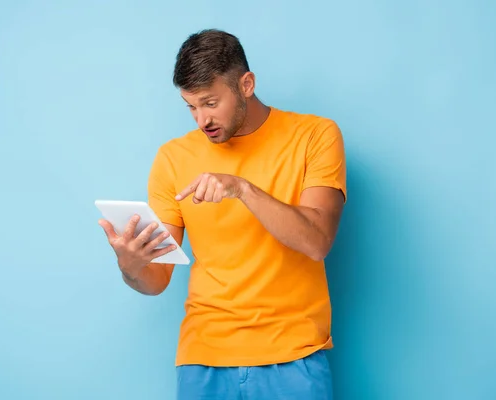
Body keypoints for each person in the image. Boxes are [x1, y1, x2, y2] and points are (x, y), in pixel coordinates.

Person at [99, 29, 346, 400]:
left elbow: (317, 241)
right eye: (191, 106)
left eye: (211, 103)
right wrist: (130, 266)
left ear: (246, 84)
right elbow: (157, 279)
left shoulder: (314, 135)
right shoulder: (172, 158)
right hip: (203, 360)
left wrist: (241, 188)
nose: (201, 120)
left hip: (295, 357)